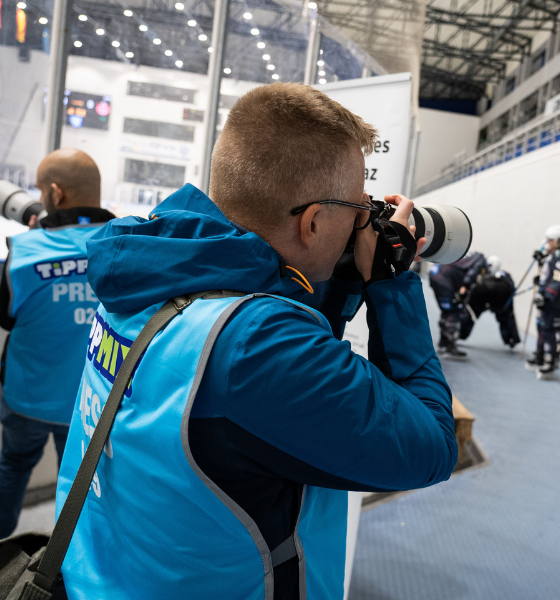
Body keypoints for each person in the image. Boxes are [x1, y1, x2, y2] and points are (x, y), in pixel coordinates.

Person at [55, 83, 458, 599]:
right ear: (313, 221)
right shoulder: (258, 348)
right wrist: (393, 283)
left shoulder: (146, 270)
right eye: (358, 212)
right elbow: (431, 446)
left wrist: (344, 283)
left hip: (104, 575)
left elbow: (265, 361)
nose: (364, 224)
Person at [0, 149, 114, 538]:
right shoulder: (129, 248)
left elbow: (7, 316)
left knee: (13, 466)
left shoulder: (23, 254)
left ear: (55, 193)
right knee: (85, 488)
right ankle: (68, 568)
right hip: (93, 405)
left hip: (26, 400)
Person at [526, 225, 560, 380]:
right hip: (552, 300)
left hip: (558, 302)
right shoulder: (553, 255)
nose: (546, 243)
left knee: (552, 330)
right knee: (542, 326)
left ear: (558, 240)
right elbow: (548, 275)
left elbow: (559, 279)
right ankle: (541, 355)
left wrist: (546, 296)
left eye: (550, 240)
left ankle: (549, 361)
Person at [429, 251, 487, 357]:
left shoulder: (467, 257)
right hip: (443, 278)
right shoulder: (480, 259)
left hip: (436, 274)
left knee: (447, 310)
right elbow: (473, 272)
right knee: (454, 310)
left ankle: (443, 342)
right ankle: (449, 346)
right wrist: (466, 285)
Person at [459, 255, 520, 348]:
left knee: (507, 317)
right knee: (469, 314)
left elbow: (511, 290)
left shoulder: (503, 277)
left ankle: (511, 338)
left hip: (498, 303)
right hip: (483, 301)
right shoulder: (485, 275)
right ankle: (460, 333)